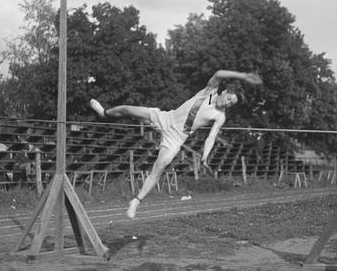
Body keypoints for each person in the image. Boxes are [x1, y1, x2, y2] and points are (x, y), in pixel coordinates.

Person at [89, 70, 262, 218]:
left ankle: (136, 201)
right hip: (166, 117)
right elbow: (218, 73)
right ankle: (104, 112)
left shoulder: (220, 116)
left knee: (160, 167)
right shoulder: (210, 91)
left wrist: (205, 158)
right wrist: (244, 76)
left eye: (231, 104)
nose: (228, 103)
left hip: (177, 137)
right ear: (224, 92)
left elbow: (211, 137)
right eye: (229, 99)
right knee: (127, 109)